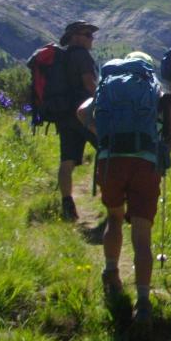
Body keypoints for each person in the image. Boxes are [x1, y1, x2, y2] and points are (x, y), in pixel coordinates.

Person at [80, 51, 171, 332]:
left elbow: (81, 112)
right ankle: (143, 302)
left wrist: (101, 133)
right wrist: (155, 146)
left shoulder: (108, 86)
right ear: (148, 69)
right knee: (141, 234)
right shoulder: (156, 91)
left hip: (111, 160)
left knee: (114, 219)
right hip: (145, 165)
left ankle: (111, 272)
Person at [55, 20, 99, 222]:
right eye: (87, 34)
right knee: (106, 149)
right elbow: (90, 85)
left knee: (67, 160)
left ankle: (66, 203)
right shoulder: (82, 57)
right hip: (84, 113)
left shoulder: (60, 57)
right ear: (75, 36)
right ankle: (112, 198)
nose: (91, 38)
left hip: (63, 114)